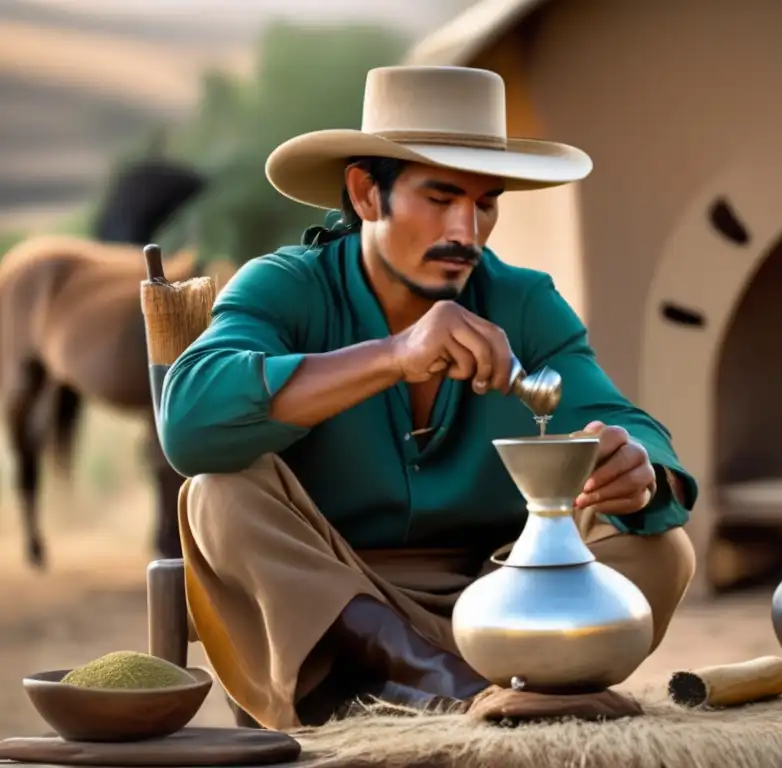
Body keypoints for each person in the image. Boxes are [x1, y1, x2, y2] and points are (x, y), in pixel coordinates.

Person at [159, 65, 699, 731]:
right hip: (331, 616)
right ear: (365, 194)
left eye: (486, 203)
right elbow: (188, 426)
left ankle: (500, 683)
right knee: (218, 493)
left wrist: (638, 468)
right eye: (440, 199)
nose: (466, 232)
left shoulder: (525, 302)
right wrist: (394, 355)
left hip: (505, 612)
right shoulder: (284, 287)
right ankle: (431, 680)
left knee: (660, 545)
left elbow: (621, 421)